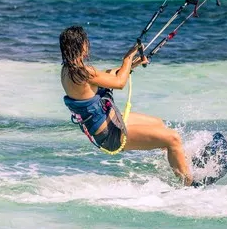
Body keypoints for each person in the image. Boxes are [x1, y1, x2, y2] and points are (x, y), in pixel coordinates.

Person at [59, 26, 193, 186]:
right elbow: (119, 83)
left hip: (111, 121)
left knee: (158, 124)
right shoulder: (84, 72)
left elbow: (106, 76)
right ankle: (189, 186)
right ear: (82, 46)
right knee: (173, 138)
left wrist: (132, 64)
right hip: (111, 133)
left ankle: (179, 165)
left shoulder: (69, 71)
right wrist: (127, 59)